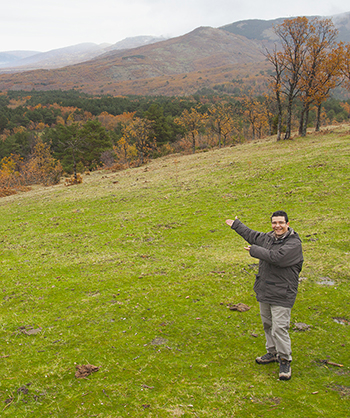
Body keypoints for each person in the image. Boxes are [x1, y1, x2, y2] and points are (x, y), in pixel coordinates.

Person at [225, 211, 303, 381]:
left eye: (281, 223)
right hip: (265, 290)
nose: (277, 226)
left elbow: (277, 258)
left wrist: (254, 251)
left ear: (288, 224)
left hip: (283, 293)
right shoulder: (269, 238)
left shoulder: (294, 244)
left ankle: (284, 359)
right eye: (274, 223)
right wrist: (237, 226)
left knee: (279, 328)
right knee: (268, 324)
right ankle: (272, 352)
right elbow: (253, 235)